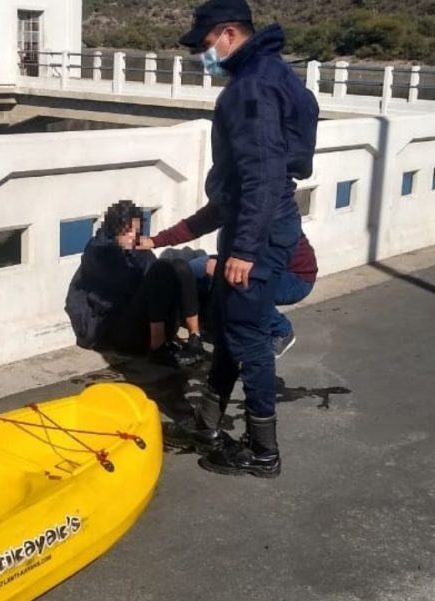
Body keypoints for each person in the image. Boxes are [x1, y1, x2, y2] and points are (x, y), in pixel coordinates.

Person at [148, 0, 319, 477]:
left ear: (227, 34)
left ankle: (264, 451)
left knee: (247, 338)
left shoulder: (251, 88)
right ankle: (206, 424)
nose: (203, 55)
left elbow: (261, 173)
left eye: (205, 45)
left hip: (257, 229)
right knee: (228, 328)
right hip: (257, 218)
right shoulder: (272, 73)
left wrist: (243, 249)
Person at [146, 214, 318, 358]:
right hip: (253, 265)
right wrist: (154, 241)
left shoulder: (268, 212)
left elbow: (267, 263)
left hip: (294, 278)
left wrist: (222, 268)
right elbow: (197, 224)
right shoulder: (232, 199)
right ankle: (206, 325)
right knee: (196, 267)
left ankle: (282, 331)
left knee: (235, 283)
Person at [65, 200, 206, 368]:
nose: (134, 236)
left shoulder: (136, 248)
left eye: (136, 230)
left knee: (179, 267)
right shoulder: (98, 252)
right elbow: (119, 291)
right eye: (128, 231)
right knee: (160, 271)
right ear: (114, 229)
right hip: (118, 329)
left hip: (149, 322)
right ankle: (157, 348)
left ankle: (195, 338)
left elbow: (152, 277)